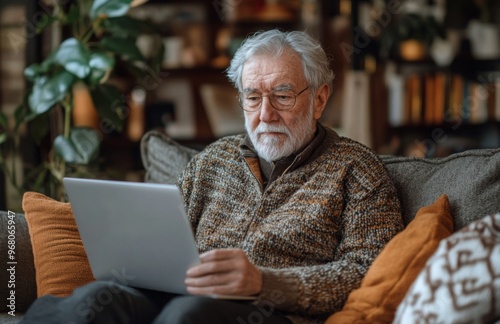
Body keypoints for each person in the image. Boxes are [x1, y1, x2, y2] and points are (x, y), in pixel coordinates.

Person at [21, 29, 403, 324]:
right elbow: (162, 235)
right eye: (253, 97)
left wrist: (265, 282)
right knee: (91, 303)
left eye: (283, 96)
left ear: (319, 99)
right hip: (179, 294)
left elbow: (367, 272)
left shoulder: (356, 169)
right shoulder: (215, 158)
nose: (265, 114)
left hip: (268, 311)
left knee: (187, 317)